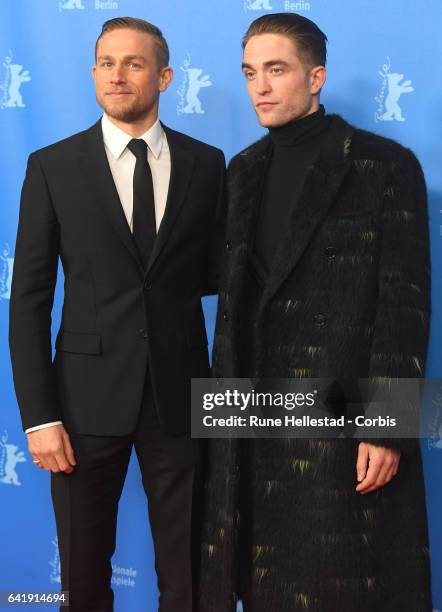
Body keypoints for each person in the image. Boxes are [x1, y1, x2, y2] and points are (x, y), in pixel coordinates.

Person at [200, 12, 432, 612]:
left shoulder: (385, 165)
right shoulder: (242, 170)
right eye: (250, 72)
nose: (260, 87)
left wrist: (387, 427)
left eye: (276, 70)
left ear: (317, 76)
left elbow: (403, 304)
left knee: (342, 586)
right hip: (249, 418)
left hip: (337, 420)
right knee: (258, 587)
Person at [9, 16, 225, 612]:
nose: (117, 75)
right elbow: (29, 300)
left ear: (165, 76)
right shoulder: (52, 166)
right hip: (81, 403)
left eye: (133, 63)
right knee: (82, 573)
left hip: (182, 397)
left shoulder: (208, 166)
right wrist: (39, 416)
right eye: (106, 62)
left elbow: (217, 277)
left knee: (188, 573)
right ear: (93, 73)